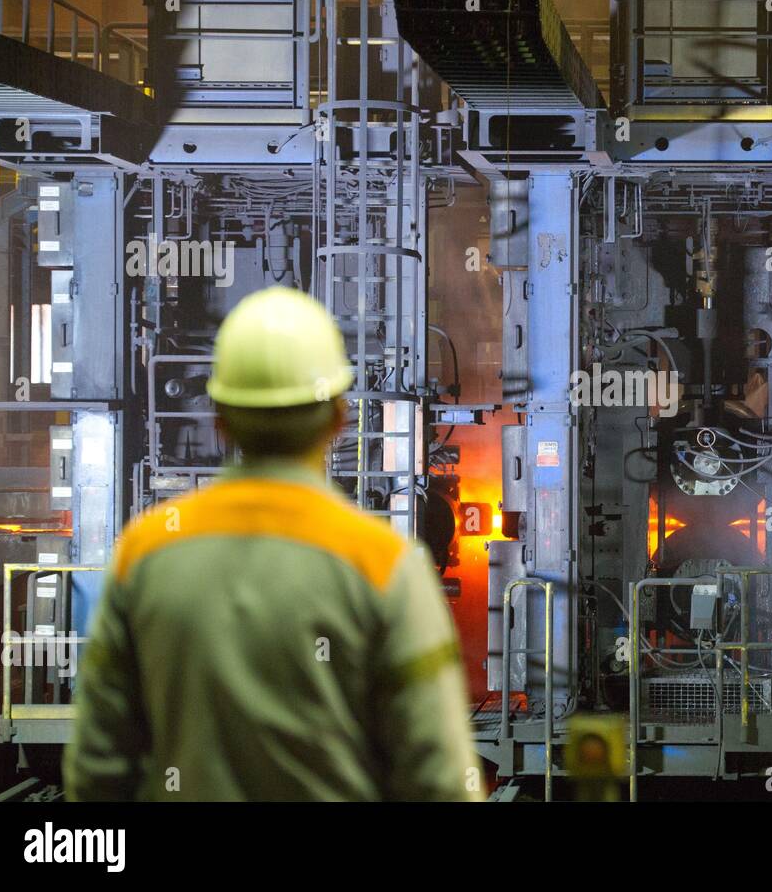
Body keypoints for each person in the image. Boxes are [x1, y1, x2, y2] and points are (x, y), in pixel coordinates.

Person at [65, 287, 482, 801]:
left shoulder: (147, 554)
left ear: (219, 416)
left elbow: (97, 769)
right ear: (335, 418)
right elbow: (437, 778)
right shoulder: (384, 565)